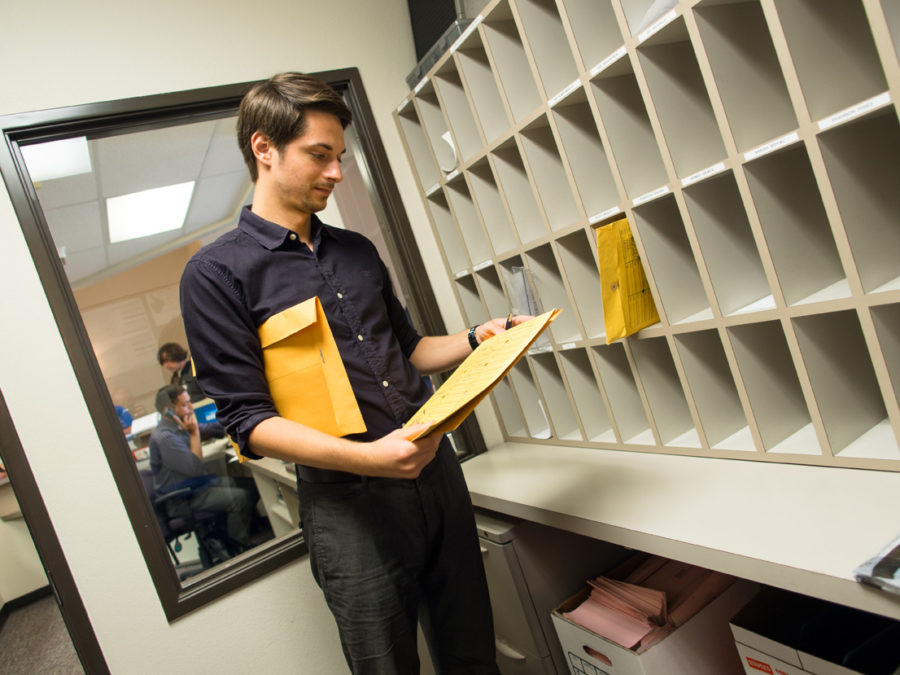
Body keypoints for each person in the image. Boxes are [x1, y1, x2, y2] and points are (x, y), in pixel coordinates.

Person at [180, 72, 523, 674]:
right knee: (385, 665)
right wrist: (372, 460)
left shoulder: (356, 250)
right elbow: (248, 423)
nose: (337, 173)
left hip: (436, 476)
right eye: (319, 155)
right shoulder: (217, 274)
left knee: (472, 653)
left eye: (339, 156)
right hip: (349, 504)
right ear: (265, 149)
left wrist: (476, 339)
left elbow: (410, 350)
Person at [149, 385, 256, 555]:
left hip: (197, 487)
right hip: (183, 499)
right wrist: (194, 433)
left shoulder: (177, 426)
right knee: (240, 498)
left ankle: (225, 536)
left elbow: (214, 429)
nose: (191, 408)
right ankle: (240, 548)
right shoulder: (165, 437)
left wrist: (238, 422)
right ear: (168, 410)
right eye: (185, 405)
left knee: (250, 486)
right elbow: (195, 468)